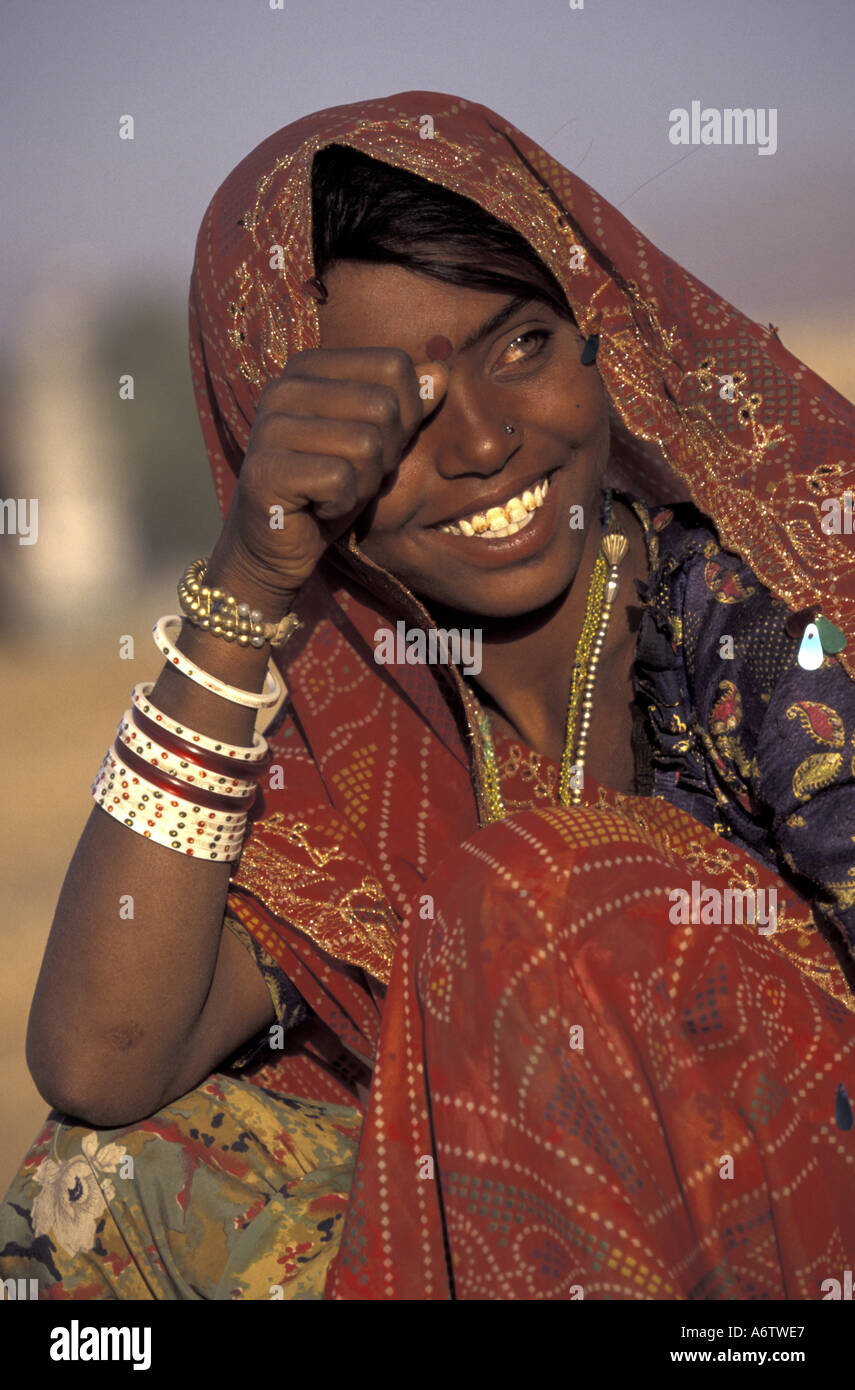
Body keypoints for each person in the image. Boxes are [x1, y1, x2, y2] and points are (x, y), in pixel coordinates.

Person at [2, 89, 855, 1302]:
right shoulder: (370, 731)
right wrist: (248, 578)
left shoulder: (753, 624)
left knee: (530, 901)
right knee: (107, 1187)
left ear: (597, 336)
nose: (484, 443)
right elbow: (99, 1061)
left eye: (522, 346)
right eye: (390, 408)